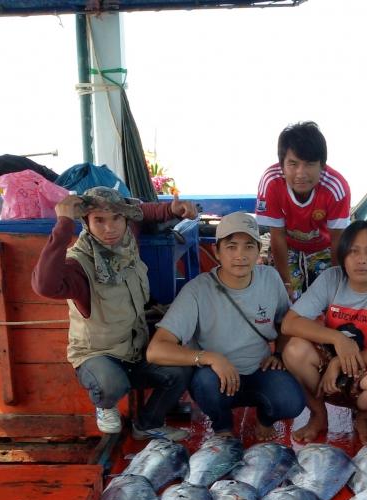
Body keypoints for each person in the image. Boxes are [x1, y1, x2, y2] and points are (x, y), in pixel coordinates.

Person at [31, 186, 197, 436]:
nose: (110, 228)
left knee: (182, 367)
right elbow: (44, 285)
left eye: (116, 218)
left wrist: (170, 209)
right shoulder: (78, 264)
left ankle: (148, 425)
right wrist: (64, 223)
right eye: (99, 220)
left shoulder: (127, 239)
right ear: (86, 222)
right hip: (99, 355)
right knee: (110, 384)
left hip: (134, 349)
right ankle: (105, 403)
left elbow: (142, 211)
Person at [146, 211, 305, 440]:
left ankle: (265, 419)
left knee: (292, 402)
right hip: (217, 377)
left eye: (249, 246)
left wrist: (279, 352)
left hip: (259, 370)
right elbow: (156, 350)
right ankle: (223, 426)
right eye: (231, 246)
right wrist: (210, 358)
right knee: (204, 383)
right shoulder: (197, 289)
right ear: (217, 252)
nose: (240, 255)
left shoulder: (270, 278)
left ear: (258, 250)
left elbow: (286, 323)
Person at [280, 219, 367, 445]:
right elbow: (289, 323)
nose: (362, 259)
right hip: (328, 378)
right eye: (354, 251)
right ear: (343, 256)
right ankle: (319, 414)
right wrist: (337, 338)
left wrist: (339, 363)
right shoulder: (332, 278)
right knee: (294, 350)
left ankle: (364, 418)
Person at [255, 121, 351, 300]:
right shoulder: (271, 183)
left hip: (324, 248)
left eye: (309, 164)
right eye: (293, 164)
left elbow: (338, 240)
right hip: (286, 247)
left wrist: (336, 286)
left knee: (326, 299)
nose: (301, 173)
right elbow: (277, 235)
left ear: (322, 165)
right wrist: (286, 284)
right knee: (285, 299)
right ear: (282, 165)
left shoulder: (336, 187)